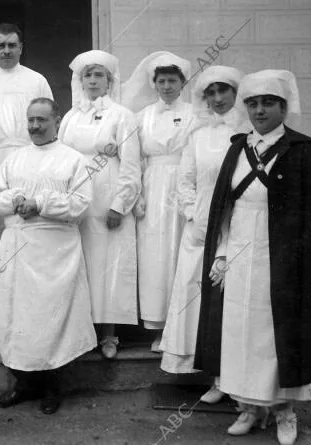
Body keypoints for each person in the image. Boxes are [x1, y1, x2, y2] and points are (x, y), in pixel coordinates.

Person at [195, 70, 311, 445]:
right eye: (252, 103)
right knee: (239, 332)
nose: (259, 110)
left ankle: (285, 412)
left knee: (275, 335)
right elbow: (224, 208)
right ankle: (250, 409)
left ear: (283, 107)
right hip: (239, 251)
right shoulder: (237, 149)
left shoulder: (305, 152)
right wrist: (220, 255)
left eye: (268, 102)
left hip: (283, 259)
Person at [0, 98, 97, 415]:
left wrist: (41, 203)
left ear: (56, 120)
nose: (35, 126)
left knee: (52, 317)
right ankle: (24, 384)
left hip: (56, 249)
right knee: (18, 316)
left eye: (41, 120)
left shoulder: (73, 160)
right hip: (18, 245)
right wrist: (17, 198)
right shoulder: (15, 159)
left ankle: (52, 387)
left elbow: (80, 203)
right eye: (30, 120)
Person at [159, 66, 250, 403]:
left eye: (223, 91)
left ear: (235, 92)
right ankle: (216, 378)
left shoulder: (247, 132)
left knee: (233, 301)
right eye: (210, 93)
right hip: (200, 228)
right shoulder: (198, 135)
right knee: (200, 301)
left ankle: (240, 382)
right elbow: (186, 180)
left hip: (238, 225)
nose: (216, 99)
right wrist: (192, 214)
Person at [58, 50, 141, 359]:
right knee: (79, 265)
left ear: (109, 80)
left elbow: (131, 164)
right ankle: (82, 334)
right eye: (88, 75)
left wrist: (120, 204)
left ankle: (109, 335)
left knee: (109, 265)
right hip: (77, 199)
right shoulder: (70, 116)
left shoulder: (122, 115)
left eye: (99, 75)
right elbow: (59, 159)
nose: (93, 81)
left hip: (107, 197)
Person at [121, 51, 194, 352]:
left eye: (172, 80)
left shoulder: (194, 114)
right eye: (161, 81)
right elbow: (135, 159)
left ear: (182, 83)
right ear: (154, 84)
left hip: (182, 184)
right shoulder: (142, 117)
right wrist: (137, 195)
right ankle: (158, 327)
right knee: (155, 256)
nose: (166, 86)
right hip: (153, 187)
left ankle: (183, 326)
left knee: (180, 252)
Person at [0, 23, 53, 262]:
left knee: (28, 227)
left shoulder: (36, 81)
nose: (6, 50)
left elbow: (49, 123)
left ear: (21, 48)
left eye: (12, 45)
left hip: (30, 159)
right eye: (1, 45)